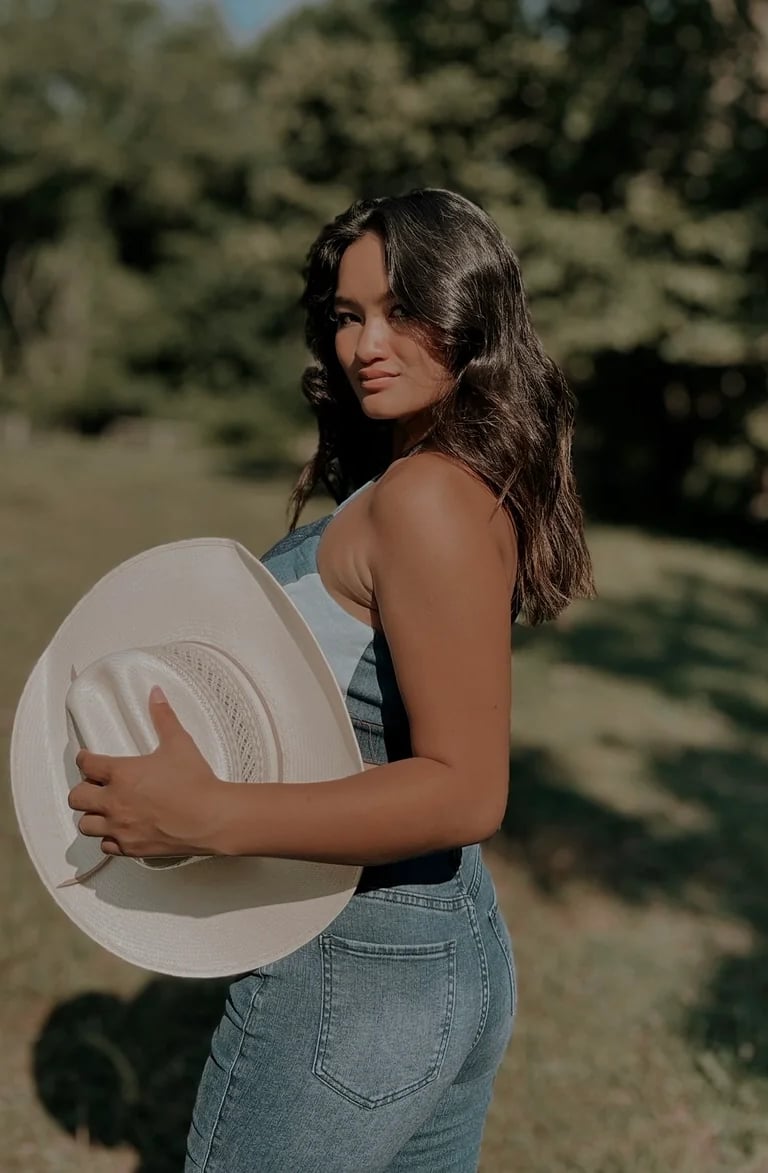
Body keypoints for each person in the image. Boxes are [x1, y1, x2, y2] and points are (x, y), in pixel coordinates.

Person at [69, 188, 595, 1172]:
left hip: (357, 964)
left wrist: (207, 816)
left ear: (469, 311)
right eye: (349, 316)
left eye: (401, 309)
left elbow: (466, 786)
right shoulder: (429, 478)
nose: (366, 345)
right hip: (432, 948)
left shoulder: (432, 496)